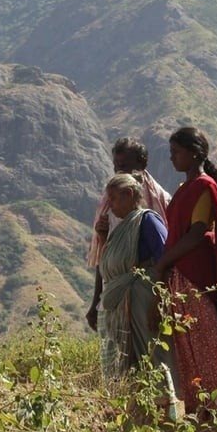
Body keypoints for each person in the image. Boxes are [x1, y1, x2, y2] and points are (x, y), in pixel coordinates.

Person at [151, 127, 217, 420]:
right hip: (181, 275)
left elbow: (196, 233)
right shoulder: (185, 188)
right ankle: (199, 415)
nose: (171, 158)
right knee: (187, 348)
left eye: (176, 152)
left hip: (196, 277)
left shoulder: (204, 186)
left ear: (194, 153)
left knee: (205, 346)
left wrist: (163, 263)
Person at [94, 173, 180, 419]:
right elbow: (112, 268)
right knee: (130, 361)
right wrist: (103, 238)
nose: (110, 205)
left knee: (151, 357)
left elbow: (166, 259)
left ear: (130, 195)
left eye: (114, 199)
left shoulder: (148, 221)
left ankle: (163, 419)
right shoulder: (123, 227)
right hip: (124, 303)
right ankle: (135, 417)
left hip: (143, 300)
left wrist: (158, 301)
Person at [86, 137, 172, 327]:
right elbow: (108, 258)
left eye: (124, 166)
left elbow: (165, 259)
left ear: (142, 164)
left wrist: (160, 302)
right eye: (117, 167)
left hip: (146, 294)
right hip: (119, 295)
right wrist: (96, 303)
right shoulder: (111, 204)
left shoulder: (159, 204)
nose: (119, 172)